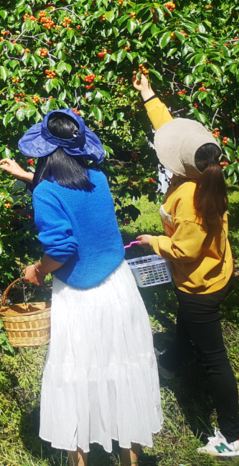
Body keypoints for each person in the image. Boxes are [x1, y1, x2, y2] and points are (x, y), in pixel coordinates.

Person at [0, 109, 162, 466]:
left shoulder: (46, 193)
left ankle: (81, 459)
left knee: (75, 373)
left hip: (80, 297)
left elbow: (61, 247)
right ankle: (130, 458)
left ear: (43, 149)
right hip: (119, 287)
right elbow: (75, 196)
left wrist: (37, 270)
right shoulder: (98, 179)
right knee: (122, 369)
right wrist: (26, 176)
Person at [133, 72, 239, 457]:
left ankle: (233, 436)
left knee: (214, 360)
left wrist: (152, 240)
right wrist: (149, 96)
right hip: (215, 273)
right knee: (189, 326)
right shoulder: (204, 166)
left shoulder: (191, 200)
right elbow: (170, 132)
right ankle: (174, 364)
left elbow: (184, 251)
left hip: (201, 286)